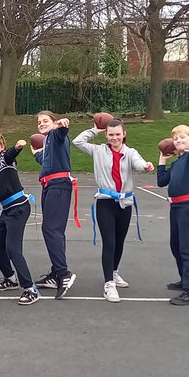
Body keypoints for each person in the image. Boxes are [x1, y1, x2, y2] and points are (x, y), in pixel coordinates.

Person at [72, 119, 153, 303]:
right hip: (105, 202)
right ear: (106, 135)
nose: (114, 137)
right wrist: (94, 130)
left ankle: (114, 272)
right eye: (111, 134)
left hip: (125, 202)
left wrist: (145, 166)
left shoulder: (130, 152)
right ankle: (109, 284)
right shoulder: (99, 150)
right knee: (109, 242)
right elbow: (77, 142)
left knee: (119, 241)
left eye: (118, 134)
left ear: (124, 134)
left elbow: (138, 163)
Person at [0, 133, 40, 305]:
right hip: (8, 210)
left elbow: (12, 153)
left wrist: (18, 146)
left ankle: (30, 289)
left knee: (13, 249)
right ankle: (10, 278)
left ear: (2, 146)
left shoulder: (6, 159)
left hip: (19, 208)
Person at [156, 125, 189, 306]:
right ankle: (185, 279)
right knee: (175, 245)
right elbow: (161, 181)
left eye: (182, 138)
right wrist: (162, 160)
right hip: (176, 207)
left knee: (186, 248)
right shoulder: (177, 163)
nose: (178, 141)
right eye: (176, 139)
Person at [32, 111, 78, 298]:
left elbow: (62, 134)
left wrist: (63, 126)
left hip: (59, 186)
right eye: (39, 122)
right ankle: (56, 272)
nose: (41, 124)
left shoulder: (55, 135)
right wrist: (37, 155)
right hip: (49, 185)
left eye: (45, 121)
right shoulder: (47, 141)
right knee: (53, 230)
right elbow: (47, 162)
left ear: (54, 122)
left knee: (51, 229)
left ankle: (63, 273)